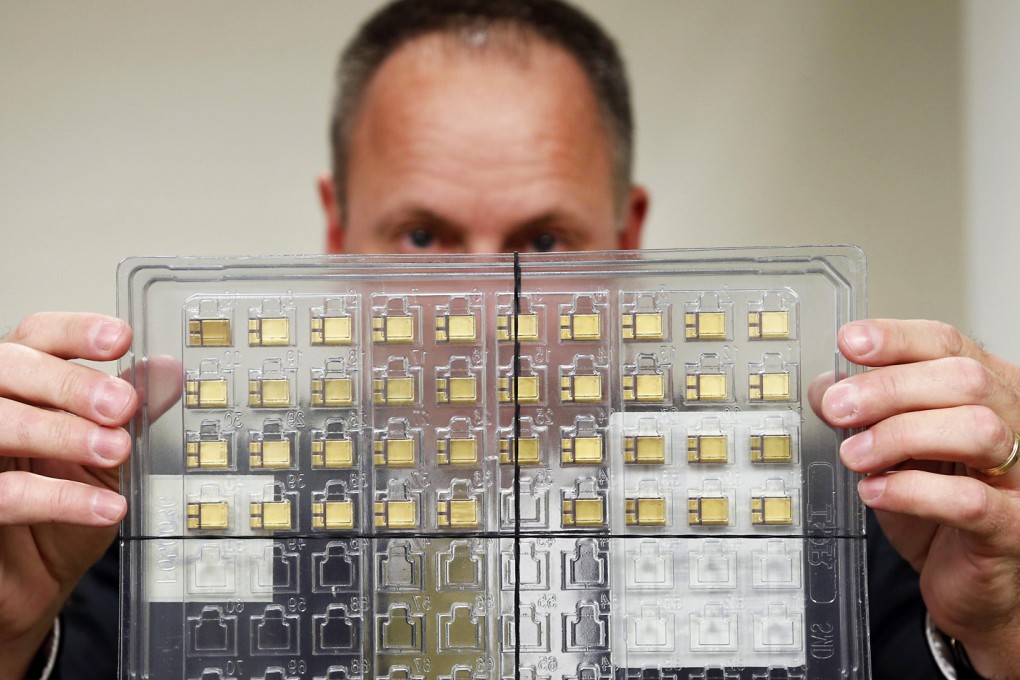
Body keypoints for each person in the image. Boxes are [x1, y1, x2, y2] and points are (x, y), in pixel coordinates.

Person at [3, 1, 1019, 678]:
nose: (481, 310)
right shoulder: (125, 536)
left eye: (542, 240)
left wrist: (1011, 627)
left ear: (626, 238)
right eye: (423, 235)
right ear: (334, 228)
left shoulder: (861, 533)